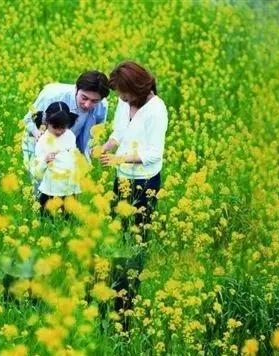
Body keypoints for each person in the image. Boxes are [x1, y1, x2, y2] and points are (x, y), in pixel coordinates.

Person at [99, 60, 168, 329]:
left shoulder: (156, 110)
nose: (121, 98)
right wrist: (108, 145)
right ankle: (111, 288)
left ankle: (128, 300)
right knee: (117, 237)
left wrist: (119, 160)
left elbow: (153, 154)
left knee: (136, 240)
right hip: (123, 179)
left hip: (144, 182)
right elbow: (119, 131)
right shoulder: (125, 102)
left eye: (124, 93)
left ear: (137, 88)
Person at [22, 70, 110, 175]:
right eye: (84, 98)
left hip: (67, 146)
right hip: (39, 143)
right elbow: (28, 120)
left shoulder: (102, 105)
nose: (87, 105)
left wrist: (93, 148)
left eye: (94, 101)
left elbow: (95, 133)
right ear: (77, 88)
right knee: (38, 180)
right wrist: (37, 133)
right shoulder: (52, 96)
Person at [30, 101, 87, 213]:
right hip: (51, 189)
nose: (60, 131)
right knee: (48, 219)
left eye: (63, 127)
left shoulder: (70, 135)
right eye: (55, 127)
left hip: (69, 187)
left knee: (68, 218)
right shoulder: (43, 141)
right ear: (47, 122)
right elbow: (36, 171)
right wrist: (45, 161)